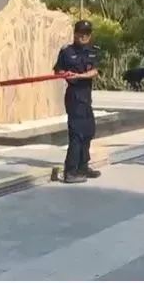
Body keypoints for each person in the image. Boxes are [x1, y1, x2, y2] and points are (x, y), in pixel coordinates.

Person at [53, 19, 102, 184]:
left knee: (88, 131)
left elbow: (95, 71)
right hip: (74, 96)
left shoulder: (93, 51)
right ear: (75, 34)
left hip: (86, 97)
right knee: (77, 134)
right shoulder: (67, 52)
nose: (83, 36)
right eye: (80, 33)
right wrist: (65, 74)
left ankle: (83, 167)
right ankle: (71, 171)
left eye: (86, 33)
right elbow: (57, 71)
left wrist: (80, 75)